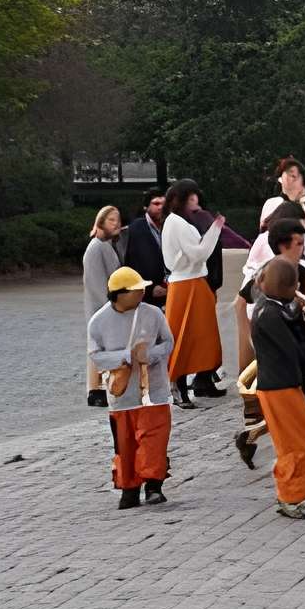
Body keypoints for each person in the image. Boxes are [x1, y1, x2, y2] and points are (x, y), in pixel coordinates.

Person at [244, 245, 305, 518]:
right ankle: (288, 496)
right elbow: (295, 350)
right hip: (277, 388)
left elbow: (294, 331)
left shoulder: (277, 307)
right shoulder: (268, 314)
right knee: (296, 446)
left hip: (287, 384)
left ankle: (294, 494)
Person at [87, 267, 174, 509]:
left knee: (154, 439)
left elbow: (168, 342)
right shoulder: (98, 322)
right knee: (125, 445)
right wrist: (127, 356)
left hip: (154, 391)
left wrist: (150, 355)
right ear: (119, 294)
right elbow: (96, 357)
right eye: (136, 290)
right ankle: (129, 488)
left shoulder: (153, 313)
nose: (142, 293)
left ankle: (154, 485)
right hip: (122, 396)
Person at [158, 180, 229, 399]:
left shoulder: (177, 221)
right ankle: (178, 383)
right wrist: (216, 229)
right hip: (187, 283)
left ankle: (198, 380)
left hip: (193, 282)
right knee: (184, 336)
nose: (195, 201)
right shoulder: (177, 222)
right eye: (190, 198)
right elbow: (199, 253)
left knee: (201, 336)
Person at [77, 204, 123, 402]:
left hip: (106, 305)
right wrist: (109, 308)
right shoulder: (96, 247)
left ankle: (100, 388)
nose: (116, 224)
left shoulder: (106, 245)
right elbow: (96, 283)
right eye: (111, 220)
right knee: (99, 348)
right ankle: (95, 390)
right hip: (101, 306)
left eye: (118, 220)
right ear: (101, 222)